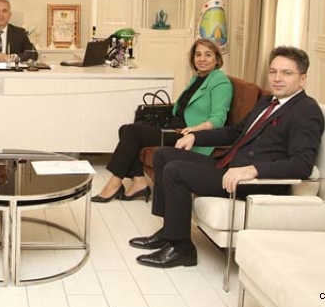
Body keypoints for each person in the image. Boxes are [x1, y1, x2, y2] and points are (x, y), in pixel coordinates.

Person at [130, 46, 324, 269]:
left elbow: (302, 164)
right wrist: (195, 136)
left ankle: (182, 249)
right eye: (273, 72)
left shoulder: (306, 111)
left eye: (286, 73)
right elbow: (235, 132)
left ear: (302, 79)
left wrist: (253, 170)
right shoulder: (268, 101)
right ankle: (168, 232)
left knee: (175, 171)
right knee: (164, 155)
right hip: (231, 166)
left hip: (254, 181)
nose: (277, 78)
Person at [92, 39, 232, 203]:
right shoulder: (198, 78)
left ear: (217, 59)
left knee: (131, 131)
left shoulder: (220, 82)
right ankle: (139, 181)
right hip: (175, 127)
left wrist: (195, 130)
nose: (202, 59)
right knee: (125, 129)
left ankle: (114, 183)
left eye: (208, 55)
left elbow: (218, 119)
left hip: (188, 136)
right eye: (198, 54)